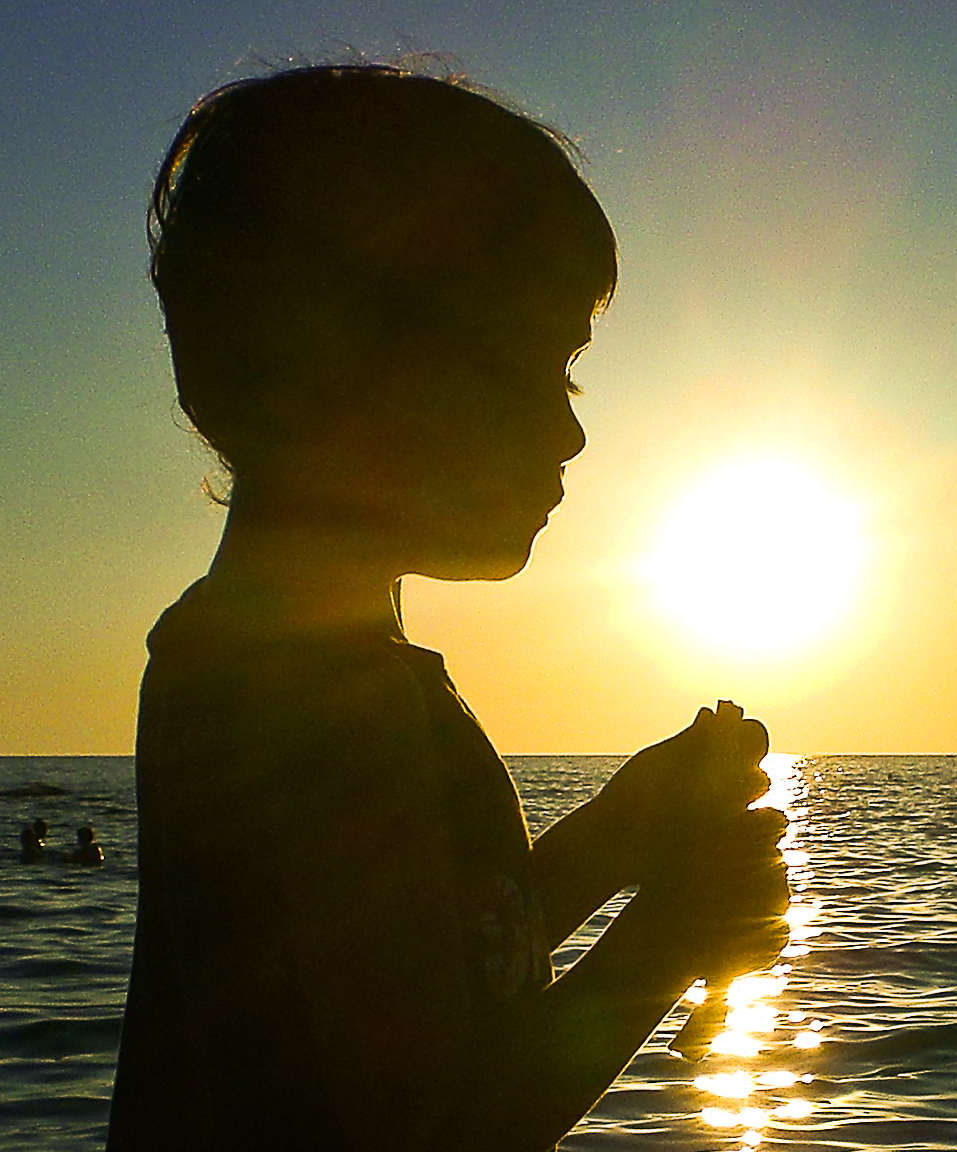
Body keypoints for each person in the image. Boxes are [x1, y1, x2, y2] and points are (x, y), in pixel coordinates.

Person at [107, 64, 788, 1151]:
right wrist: (668, 938)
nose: (569, 434)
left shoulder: (298, 664)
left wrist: (616, 836)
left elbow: (427, 954)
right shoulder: (299, 695)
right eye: (537, 367)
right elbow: (424, 1123)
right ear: (350, 370)